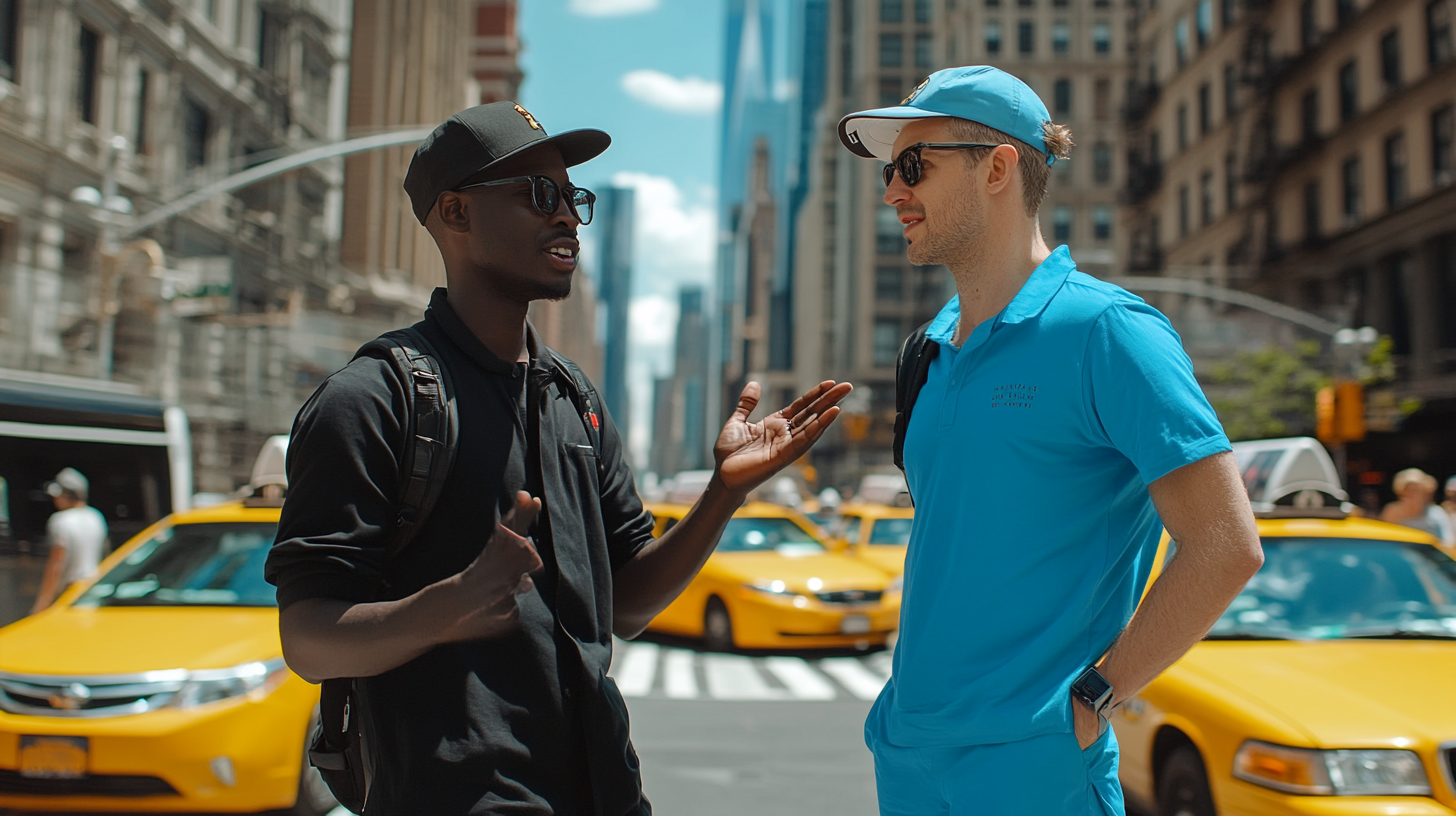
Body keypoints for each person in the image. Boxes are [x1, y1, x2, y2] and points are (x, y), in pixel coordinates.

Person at [264, 101, 850, 816]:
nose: (568, 217)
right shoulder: (371, 399)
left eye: (573, 198)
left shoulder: (575, 398)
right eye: (538, 195)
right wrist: (448, 605)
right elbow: (310, 641)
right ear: (455, 213)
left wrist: (722, 496)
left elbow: (627, 605)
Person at [836, 66, 1265, 815]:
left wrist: (1098, 695)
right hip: (907, 753)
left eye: (914, 166)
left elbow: (1226, 544)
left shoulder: (1110, 332)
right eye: (891, 171)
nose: (893, 193)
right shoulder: (927, 351)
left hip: (1035, 769)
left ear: (997, 168)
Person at [30, 467, 108, 614]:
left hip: (70, 593)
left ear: (66, 494)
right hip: (93, 591)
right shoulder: (96, 517)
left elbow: (56, 565)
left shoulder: (60, 521)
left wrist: (43, 603)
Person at [1381, 468, 1454, 545]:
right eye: (1408, 490)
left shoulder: (1436, 513)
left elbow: (1448, 542)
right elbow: (1383, 539)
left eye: (1416, 490)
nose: (1412, 494)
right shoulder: (1392, 511)